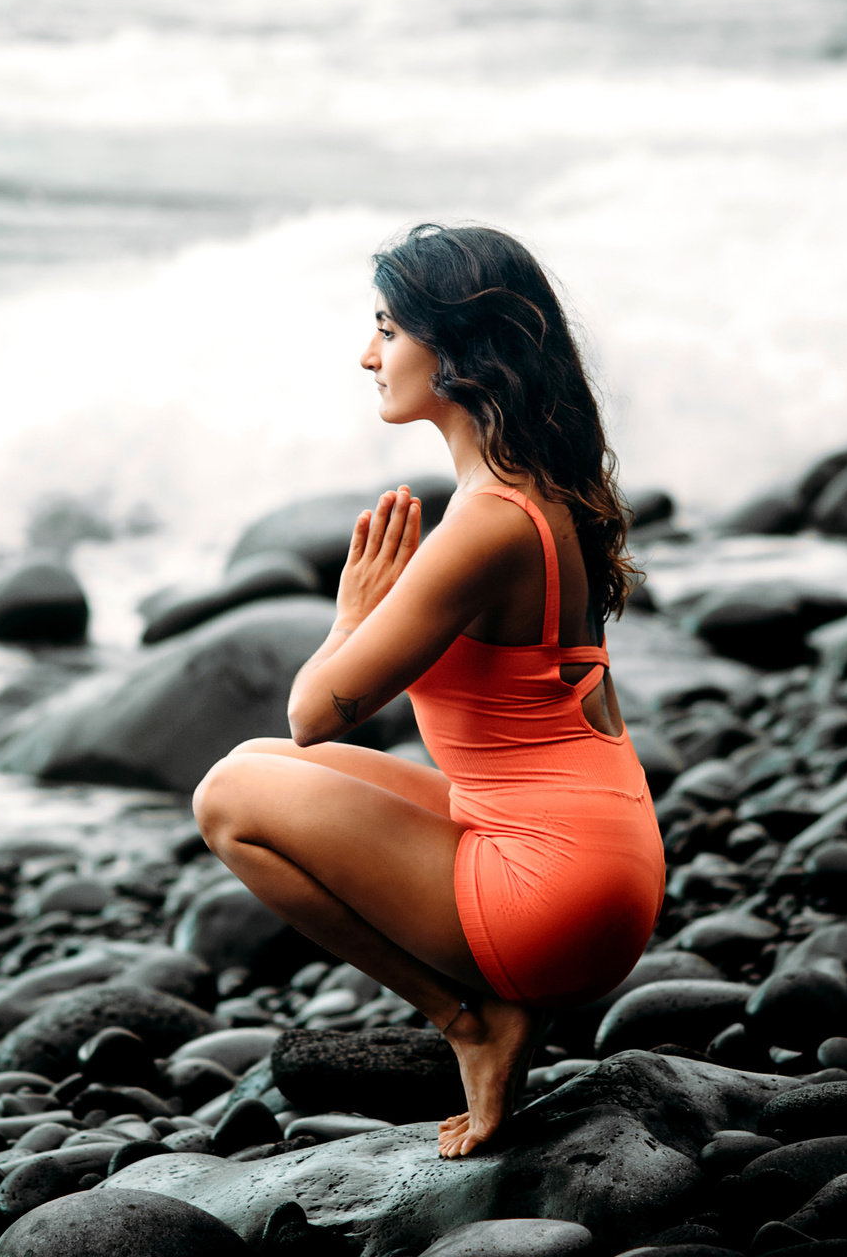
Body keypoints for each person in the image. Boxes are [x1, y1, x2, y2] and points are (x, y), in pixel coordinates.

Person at [192, 222, 663, 1158]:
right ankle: (498, 1009)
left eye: (388, 330)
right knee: (257, 762)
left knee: (228, 796)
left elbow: (313, 714)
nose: (369, 356)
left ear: (459, 348)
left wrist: (349, 620)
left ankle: (469, 1023)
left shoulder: (485, 523)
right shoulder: (543, 490)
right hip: (606, 866)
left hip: (553, 896)